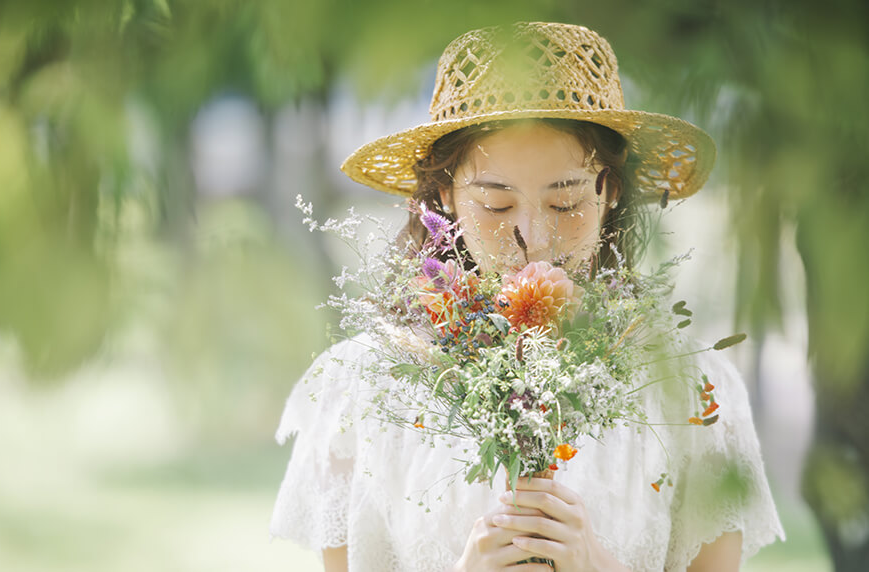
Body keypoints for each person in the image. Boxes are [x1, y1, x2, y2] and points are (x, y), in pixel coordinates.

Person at [270, 22, 784, 572]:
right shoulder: (361, 388)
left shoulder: (695, 392)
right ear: (444, 196)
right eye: (496, 205)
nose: (533, 240)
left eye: (565, 205)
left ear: (609, 191)